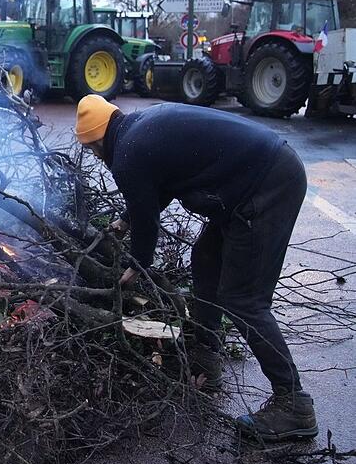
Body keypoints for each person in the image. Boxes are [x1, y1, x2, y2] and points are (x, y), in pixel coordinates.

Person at [74, 95, 317, 443]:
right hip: (259, 176)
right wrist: (124, 221)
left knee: (244, 300)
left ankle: (293, 402)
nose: (97, 156)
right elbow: (158, 187)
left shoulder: (125, 154)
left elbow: (148, 218)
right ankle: (206, 356)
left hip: (267, 185)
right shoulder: (138, 130)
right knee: (205, 258)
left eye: (94, 150)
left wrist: (137, 266)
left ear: (97, 142)